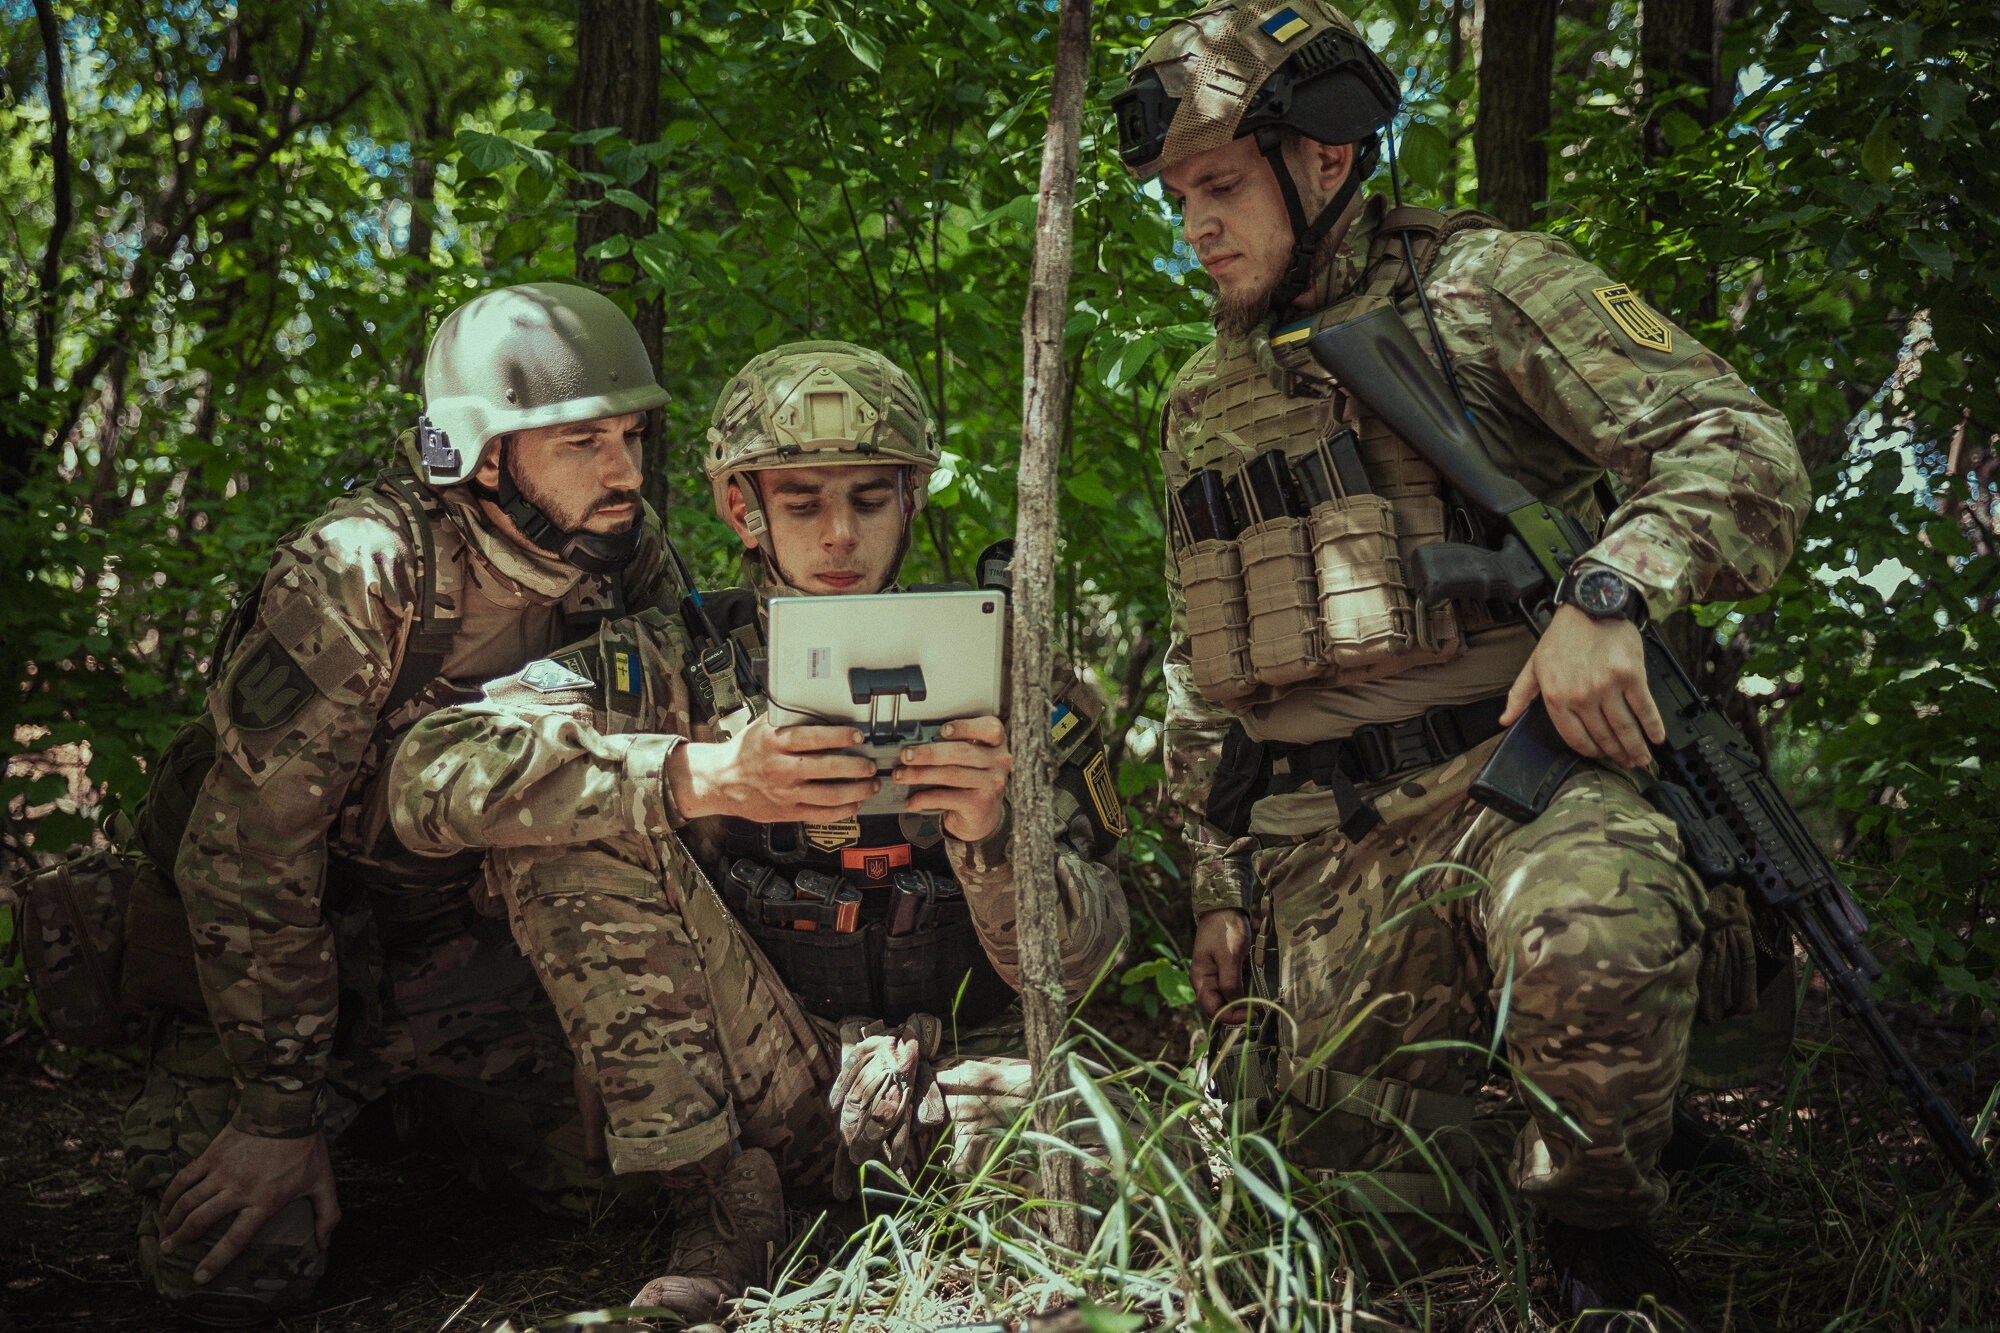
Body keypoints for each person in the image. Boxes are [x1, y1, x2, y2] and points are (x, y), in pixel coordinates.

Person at [1112, 1, 1807, 1324]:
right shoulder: (1204, 396)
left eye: (1217, 186)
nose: (1192, 223)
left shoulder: (1483, 289)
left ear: (1322, 159)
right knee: (1343, 1225)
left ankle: (1599, 1240)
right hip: (1329, 853)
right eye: (1175, 197)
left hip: (1525, 787)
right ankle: (1614, 1119)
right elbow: (1211, 674)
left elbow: (1739, 441)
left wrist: (1611, 591)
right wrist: (1222, 886)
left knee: (1590, 935)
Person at [385, 340, 1131, 1324]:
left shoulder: (1015, 681)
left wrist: (989, 837)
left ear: (912, 499)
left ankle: (971, 1233)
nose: (837, 536)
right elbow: (429, 772)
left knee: (1111, 1128)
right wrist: (692, 775)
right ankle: (717, 1208)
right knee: (563, 822)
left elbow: (1091, 965)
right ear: (743, 508)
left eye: (868, 499)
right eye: (800, 501)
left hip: (958, 1085)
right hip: (758, 1091)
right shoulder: (670, 667)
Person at [122, 282, 689, 1326]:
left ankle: (414, 1104)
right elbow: (246, 856)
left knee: (615, 1189)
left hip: (457, 946)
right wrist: (276, 1108)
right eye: (580, 442)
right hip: (286, 956)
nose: (625, 472)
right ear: (481, 455)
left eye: (630, 435)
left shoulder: (625, 555)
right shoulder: (360, 571)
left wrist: (613, 1025)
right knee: (235, 1267)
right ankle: (320, 1099)